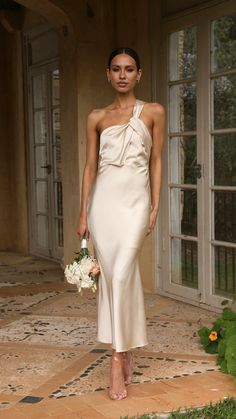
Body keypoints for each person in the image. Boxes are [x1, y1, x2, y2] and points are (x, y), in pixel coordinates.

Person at [77, 47, 165, 401]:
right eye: (116, 69)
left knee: (124, 271)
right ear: (108, 74)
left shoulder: (154, 111)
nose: (123, 75)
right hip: (103, 205)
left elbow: (157, 160)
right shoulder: (95, 117)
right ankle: (121, 352)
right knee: (112, 278)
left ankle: (117, 355)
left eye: (129, 69)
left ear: (139, 74)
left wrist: (156, 203)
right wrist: (83, 212)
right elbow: (89, 167)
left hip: (135, 203)